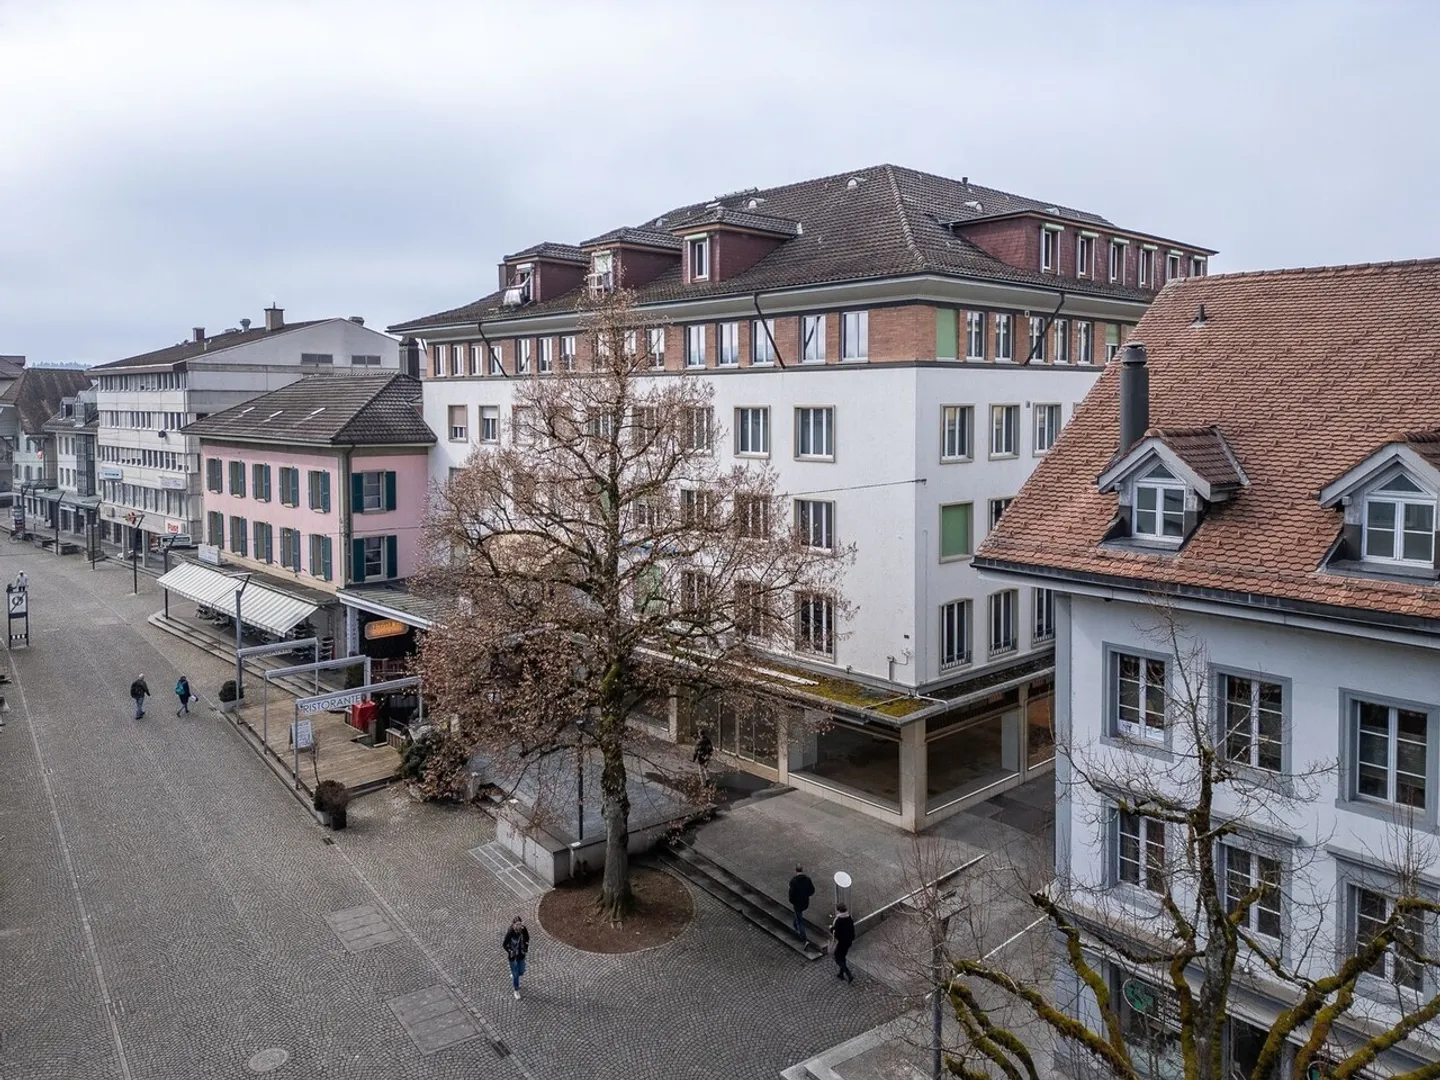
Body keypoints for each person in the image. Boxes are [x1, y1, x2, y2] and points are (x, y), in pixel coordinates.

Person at [503, 916, 530, 1000]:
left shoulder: (523, 929)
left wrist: (526, 946)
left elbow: (527, 938)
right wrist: (510, 951)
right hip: (513, 957)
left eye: (520, 924)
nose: (519, 926)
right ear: (514, 924)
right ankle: (516, 990)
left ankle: (515, 974)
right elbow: (504, 944)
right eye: (517, 924)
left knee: (521, 971)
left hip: (521, 954)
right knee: (516, 975)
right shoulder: (510, 932)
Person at [788, 865, 815, 940]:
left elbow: (791, 894)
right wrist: (806, 895)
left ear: (795, 871)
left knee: (800, 920)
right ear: (802, 870)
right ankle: (795, 923)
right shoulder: (807, 879)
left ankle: (804, 938)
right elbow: (812, 890)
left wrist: (792, 901)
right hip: (805, 902)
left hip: (797, 904)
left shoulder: (793, 881)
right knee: (798, 914)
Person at [830, 903, 855, 984]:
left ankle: (848, 974)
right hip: (848, 942)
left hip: (840, 943)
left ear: (838, 910)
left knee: (837, 959)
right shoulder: (849, 918)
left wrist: (831, 928)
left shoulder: (838, 920)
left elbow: (835, 933)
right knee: (843, 957)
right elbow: (852, 931)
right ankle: (841, 974)